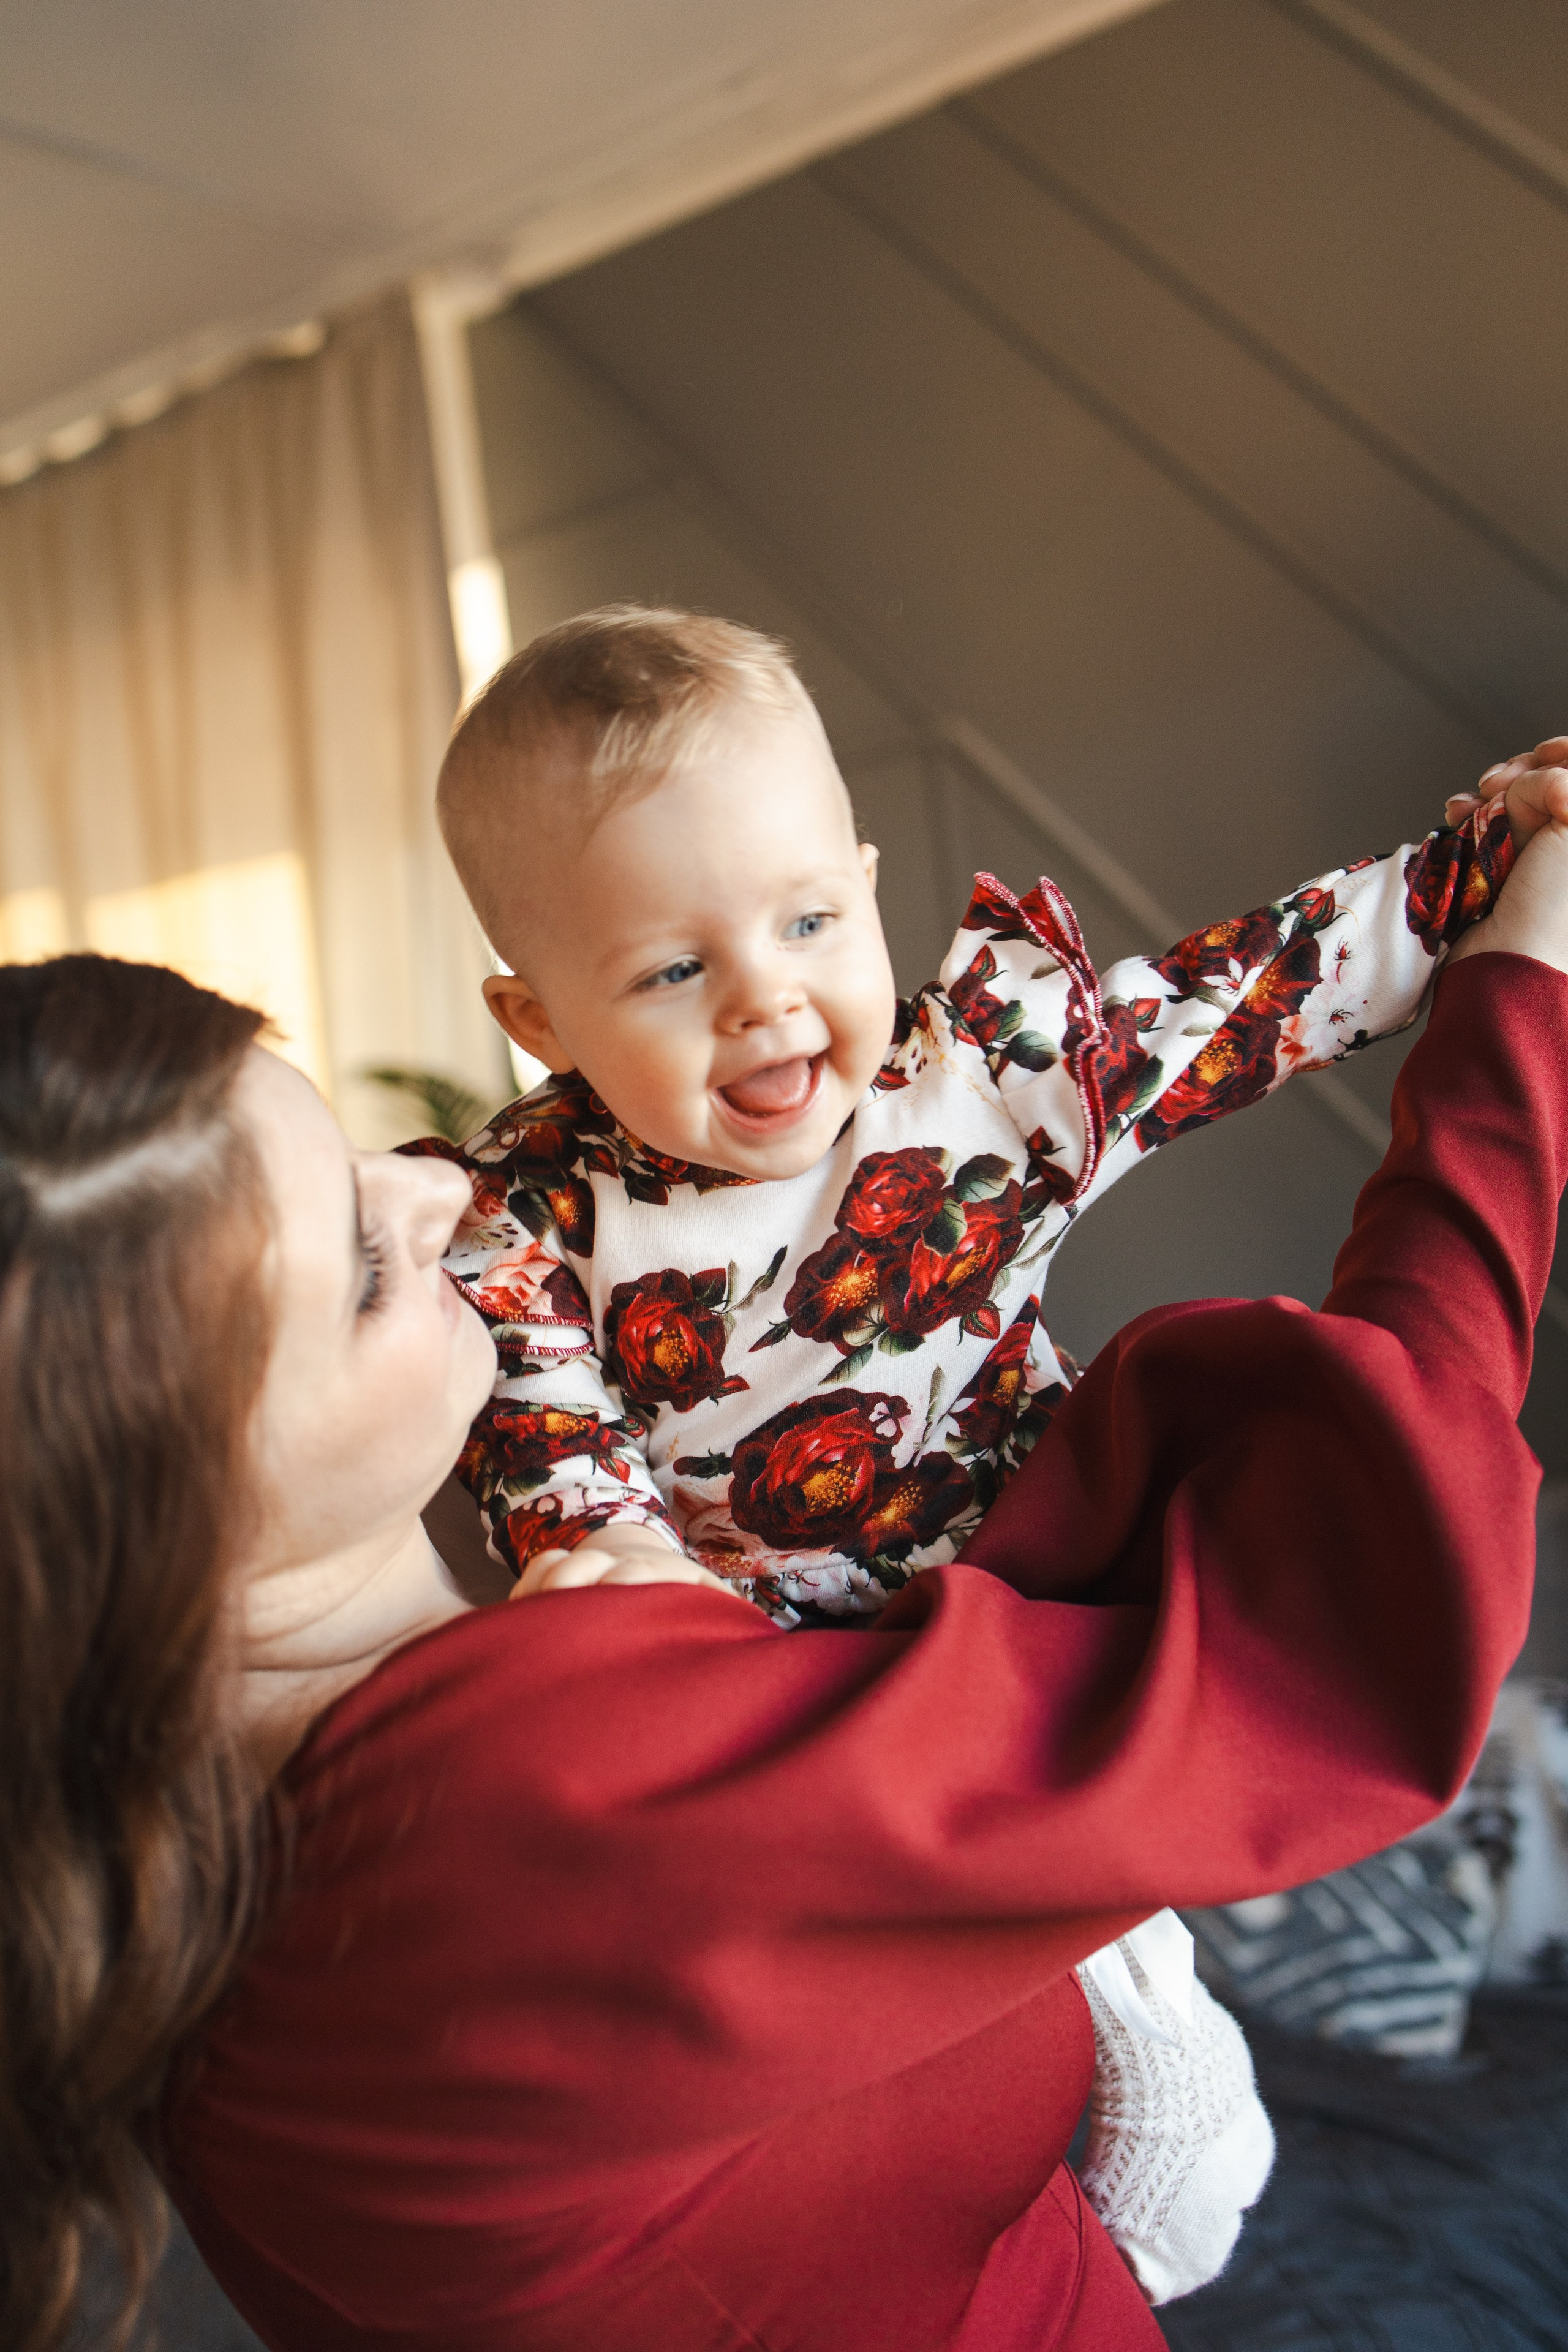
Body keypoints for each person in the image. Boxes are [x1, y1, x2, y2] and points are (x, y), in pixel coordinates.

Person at [2, 769, 1566, 2352]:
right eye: (354, 1259)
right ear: (168, 1509)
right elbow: (1341, 1644)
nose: (432, 1187)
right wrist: (1529, 997)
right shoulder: (552, 1783)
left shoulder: (150, 1889)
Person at [424, 603, 1542, 2296]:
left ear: (868, 889)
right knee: (845, 2098)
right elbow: (554, 1454)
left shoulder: (983, 1087)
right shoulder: (533, 1227)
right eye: (673, 969)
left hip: (1046, 1633)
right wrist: (620, 1577)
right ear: (538, 1017)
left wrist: (1485, 867)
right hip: (795, 1722)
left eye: (807, 918)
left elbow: (1259, 996)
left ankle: (1095, 2206)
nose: (765, 999)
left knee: (1186, 2125)